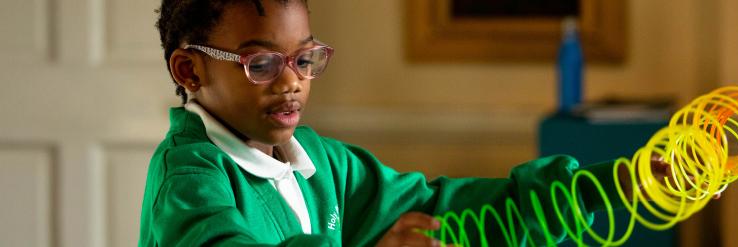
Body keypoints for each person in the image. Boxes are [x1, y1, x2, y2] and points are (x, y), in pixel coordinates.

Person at [138, 0, 663, 246]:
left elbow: (443, 209)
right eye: (262, 64)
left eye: (305, 59)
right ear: (190, 69)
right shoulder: (190, 177)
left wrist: (615, 185)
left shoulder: (323, 165)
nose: (292, 81)